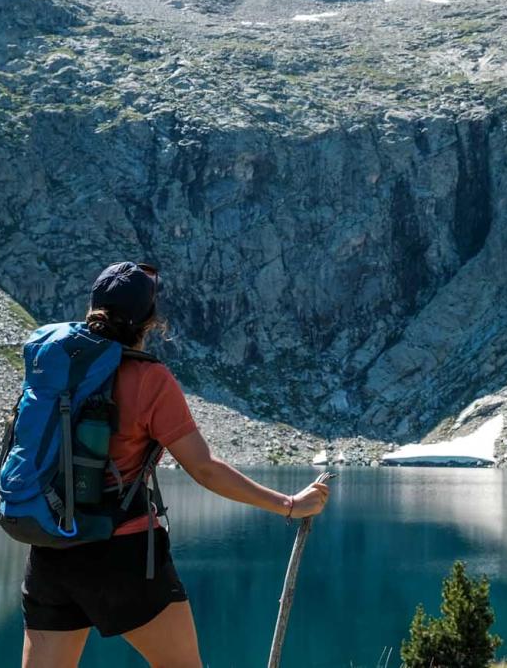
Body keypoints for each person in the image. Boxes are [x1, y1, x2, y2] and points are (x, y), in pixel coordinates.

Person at [21, 261, 330, 668]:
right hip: (121, 554)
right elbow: (203, 468)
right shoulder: (149, 378)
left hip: (50, 547)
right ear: (149, 321)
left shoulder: (54, 366)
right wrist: (289, 504)